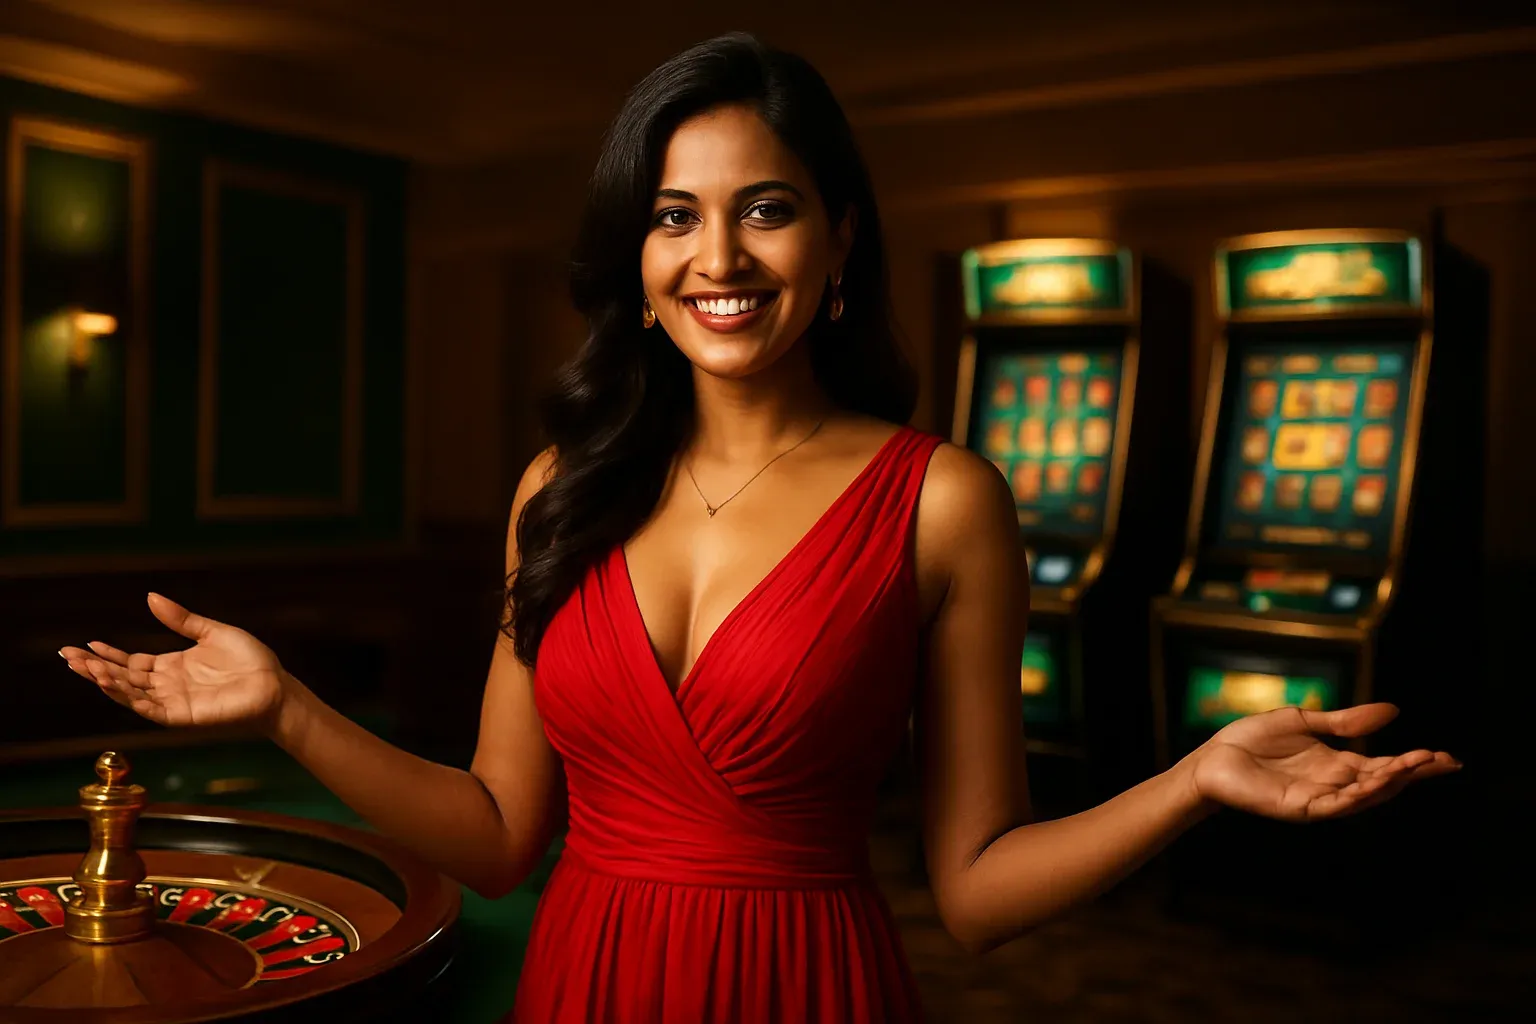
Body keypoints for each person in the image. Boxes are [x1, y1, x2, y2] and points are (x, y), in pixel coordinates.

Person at [60, 32, 1460, 1024]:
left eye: (766, 211)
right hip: (584, 981)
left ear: (840, 243)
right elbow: (495, 839)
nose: (719, 258)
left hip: (810, 986)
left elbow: (977, 894)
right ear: (639, 257)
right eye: (676, 216)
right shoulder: (559, 486)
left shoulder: (945, 499)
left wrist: (1193, 779)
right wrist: (287, 709)